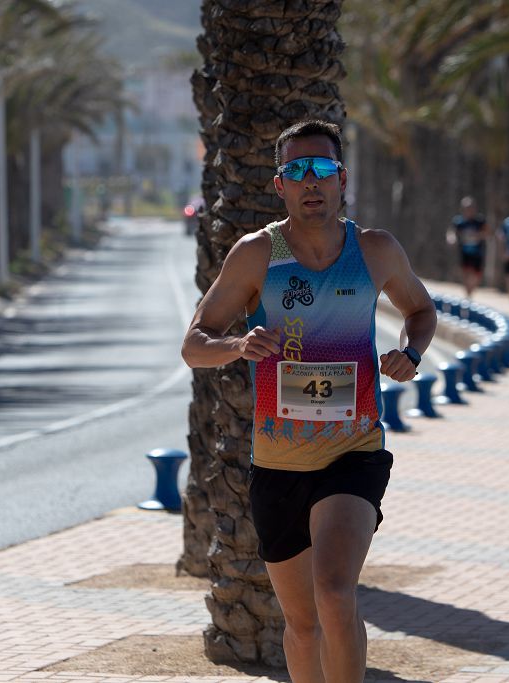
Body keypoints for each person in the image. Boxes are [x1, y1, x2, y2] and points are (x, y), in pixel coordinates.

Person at [181, 119, 437, 682]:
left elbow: (421, 311)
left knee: (334, 592)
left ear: (342, 178)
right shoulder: (256, 256)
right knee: (299, 625)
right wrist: (238, 345)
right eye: (297, 171)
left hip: (354, 452)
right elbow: (194, 346)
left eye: (322, 168)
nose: (310, 181)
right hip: (278, 466)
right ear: (280, 185)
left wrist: (410, 354)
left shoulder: (374, 250)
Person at [445, 196, 488, 297]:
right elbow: (451, 231)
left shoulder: (480, 221)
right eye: (466, 208)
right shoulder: (458, 221)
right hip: (464, 251)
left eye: (471, 208)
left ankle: (471, 290)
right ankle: (468, 293)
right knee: (465, 273)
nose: (469, 210)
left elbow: (487, 233)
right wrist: (451, 238)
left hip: (478, 252)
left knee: (476, 275)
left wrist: (478, 235)